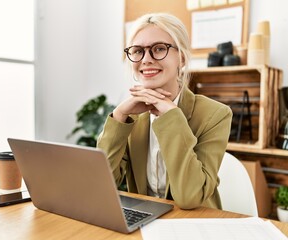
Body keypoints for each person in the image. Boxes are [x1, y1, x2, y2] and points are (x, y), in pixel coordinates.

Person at [97, 13, 232, 210]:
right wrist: (118, 116)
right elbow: (102, 185)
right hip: (145, 220)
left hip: (195, 224)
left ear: (182, 58)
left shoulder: (215, 114)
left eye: (159, 49)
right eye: (137, 51)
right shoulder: (130, 116)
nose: (146, 59)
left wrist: (171, 117)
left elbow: (189, 197)